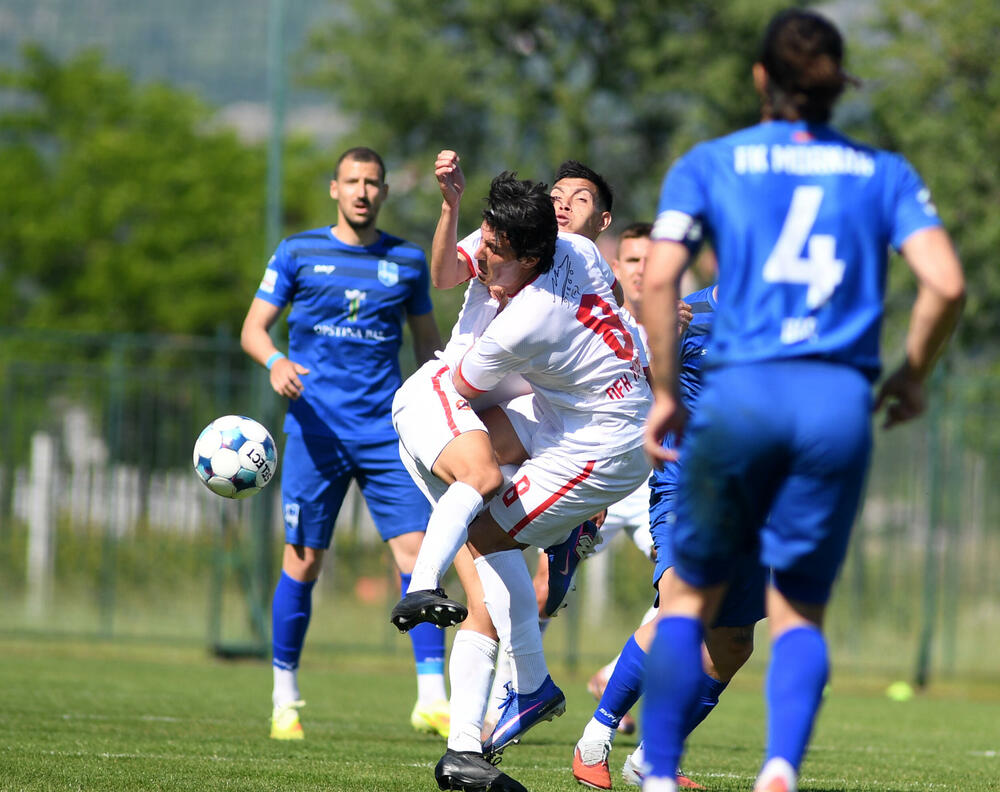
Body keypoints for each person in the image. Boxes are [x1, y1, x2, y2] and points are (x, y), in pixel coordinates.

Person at [639, 10, 965, 792]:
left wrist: (661, 392)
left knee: (688, 597)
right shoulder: (883, 172)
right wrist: (912, 373)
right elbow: (946, 283)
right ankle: (779, 765)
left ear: (760, 78)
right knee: (798, 609)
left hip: (742, 396)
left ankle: (656, 773)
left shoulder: (710, 163)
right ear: (837, 86)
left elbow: (657, 279)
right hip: (835, 405)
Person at [395, 168, 653, 791]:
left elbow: (464, 390)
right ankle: (505, 701)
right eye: (558, 198)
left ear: (534, 254)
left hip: (588, 439)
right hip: (547, 414)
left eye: (496, 252)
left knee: (483, 536)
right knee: (484, 539)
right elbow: (446, 276)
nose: (482, 256)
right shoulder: (581, 254)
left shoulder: (527, 316)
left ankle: (494, 705)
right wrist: (452, 210)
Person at [240, 146, 447, 742]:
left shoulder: (406, 262)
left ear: (383, 192)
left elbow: (429, 349)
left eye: (373, 182)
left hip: (386, 433)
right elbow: (254, 329)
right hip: (314, 430)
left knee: (420, 560)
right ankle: (284, 700)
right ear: (335, 188)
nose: (362, 191)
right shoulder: (298, 251)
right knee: (303, 562)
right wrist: (277, 360)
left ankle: (432, 699)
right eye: (352, 181)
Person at [572, 282, 767, 791]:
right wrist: (666, 343)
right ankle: (595, 738)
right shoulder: (688, 311)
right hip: (688, 487)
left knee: (732, 642)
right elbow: (651, 395)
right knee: (681, 606)